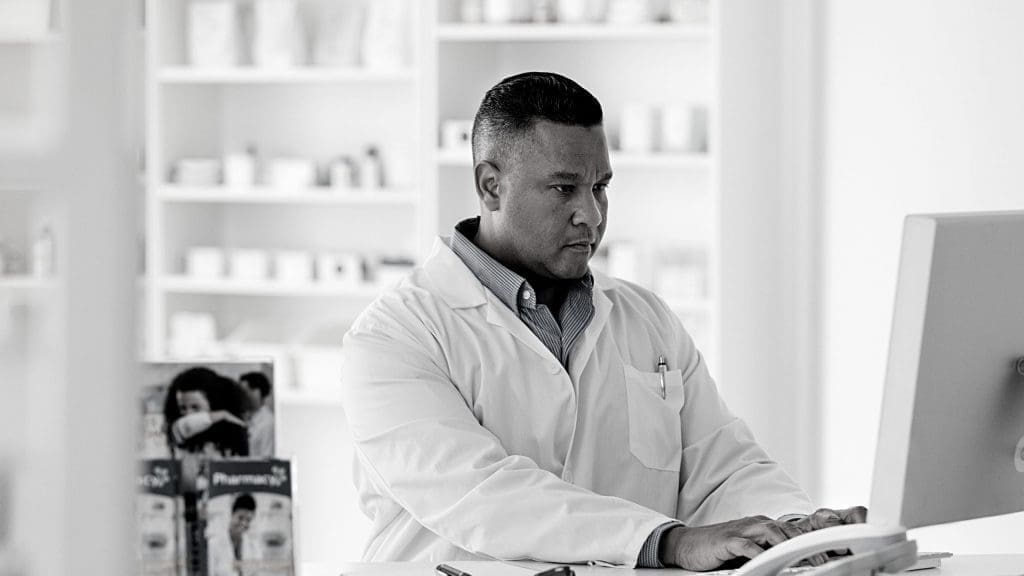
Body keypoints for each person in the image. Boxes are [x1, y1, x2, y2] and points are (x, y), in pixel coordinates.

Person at [339, 72, 866, 569]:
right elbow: (482, 496)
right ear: (491, 186)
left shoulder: (646, 318)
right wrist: (667, 541)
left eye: (601, 187)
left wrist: (794, 531)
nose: (591, 214)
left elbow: (723, 467)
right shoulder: (394, 336)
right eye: (564, 188)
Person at [163, 367, 249, 459]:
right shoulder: (178, 430)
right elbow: (185, 425)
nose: (188, 414)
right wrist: (223, 415)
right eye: (183, 408)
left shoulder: (232, 434)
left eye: (195, 407)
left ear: (214, 404)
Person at [208, 493, 261, 576]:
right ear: (231, 514)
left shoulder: (253, 546)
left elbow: (256, 573)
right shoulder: (213, 545)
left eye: (248, 520)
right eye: (240, 518)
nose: (244, 523)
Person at [239, 371, 275, 458]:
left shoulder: (268, 422)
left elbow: (266, 458)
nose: (240, 396)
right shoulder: (245, 417)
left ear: (257, 392)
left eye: (244, 392)